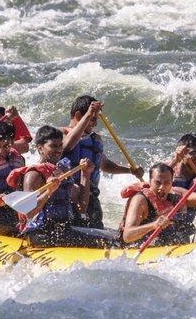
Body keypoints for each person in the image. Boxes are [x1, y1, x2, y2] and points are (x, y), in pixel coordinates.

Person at [6, 125, 105, 247]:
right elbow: (29, 213)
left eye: (60, 146)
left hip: (64, 229)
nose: (58, 150)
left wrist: (86, 175)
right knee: (100, 244)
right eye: (53, 146)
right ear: (40, 148)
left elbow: (82, 208)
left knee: (106, 240)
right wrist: (48, 192)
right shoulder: (34, 174)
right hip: (41, 231)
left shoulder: (63, 171)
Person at [61, 95, 145, 229]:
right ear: (78, 116)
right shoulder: (62, 133)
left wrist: (130, 170)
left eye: (95, 120)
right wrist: (88, 115)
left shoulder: (94, 139)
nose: (94, 124)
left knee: (95, 232)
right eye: (92, 119)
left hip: (92, 197)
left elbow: (105, 164)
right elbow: (66, 146)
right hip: (70, 195)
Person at [120, 151, 196, 246]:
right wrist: (154, 225)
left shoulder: (177, 194)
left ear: (172, 182)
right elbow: (128, 235)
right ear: (150, 182)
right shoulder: (140, 200)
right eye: (157, 183)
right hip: (133, 247)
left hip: (164, 246)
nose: (162, 187)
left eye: (167, 183)